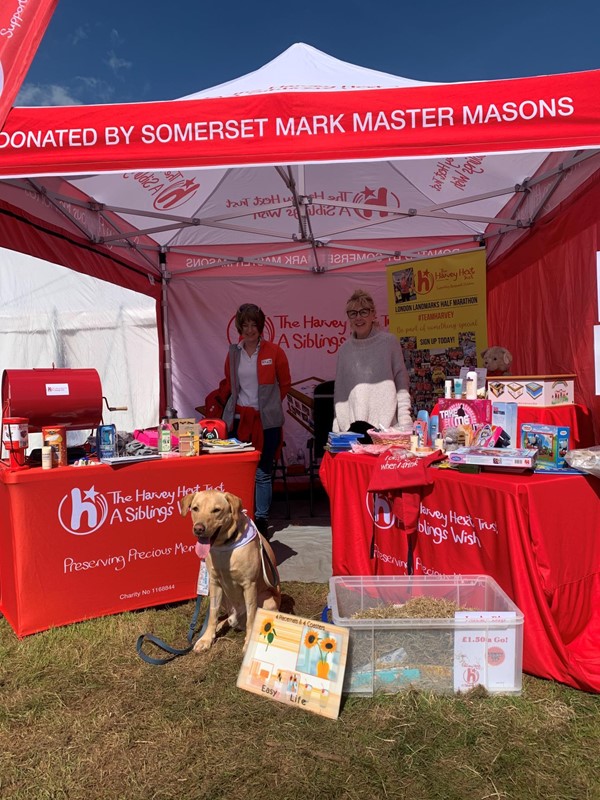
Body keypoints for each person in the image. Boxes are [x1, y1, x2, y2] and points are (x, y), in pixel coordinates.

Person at [216, 303, 291, 537]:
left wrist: (268, 407)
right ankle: (239, 518)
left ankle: (261, 521)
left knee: (263, 472)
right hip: (240, 420)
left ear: (261, 327)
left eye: (254, 324)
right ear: (239, 327)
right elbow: (230, 382)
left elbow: (285, 383)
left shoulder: (275, 351)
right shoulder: (233, 353)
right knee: (241, 471)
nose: (250, 329)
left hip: (267, 423)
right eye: (245, 325)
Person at [333, 289, 412, 434]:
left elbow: (402, 384)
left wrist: (405, 420)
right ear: (349, 318)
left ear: (373, 314)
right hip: (352, 430)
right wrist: (338, 429)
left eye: (364, 312)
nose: (358, 318)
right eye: (353, 313)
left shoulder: (389, 343)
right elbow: (340, 392)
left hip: (385, 429)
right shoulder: (344, 350)